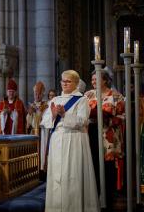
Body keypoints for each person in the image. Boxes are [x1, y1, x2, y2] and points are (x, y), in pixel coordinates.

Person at [42, 70, 99, 211]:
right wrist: (54, 115)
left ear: (76, 83)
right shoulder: (55, 100)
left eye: (68, 81)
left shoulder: (81, 100)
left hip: (74, 140)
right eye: (63, 81)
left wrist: (64, 114)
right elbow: (45, 122)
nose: (64, 83)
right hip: (57, 141)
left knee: (72, 176)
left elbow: (82, 121)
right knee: (57, 176)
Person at [84, 69, 125, 209]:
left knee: (108, 168)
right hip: (92, 133)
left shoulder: (116, 95)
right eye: (92, 79)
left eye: (96, 79)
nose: (93, 82)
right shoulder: (88, 95)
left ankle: (108, 200)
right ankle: (95, 201)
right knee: (94, 165)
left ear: (105, 80)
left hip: (109, 135)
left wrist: (109, 117)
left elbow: (122, 116)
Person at [26, 81, 48, 177]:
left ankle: (42, 171)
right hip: (33, 133)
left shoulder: (46, 105)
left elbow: (47, 119)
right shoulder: (31, 106)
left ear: (43, 94)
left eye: (39, 93)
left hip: (42, 133)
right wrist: (30, 114)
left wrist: (39, 112)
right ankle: (33, 172)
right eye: (35, 93)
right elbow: (28, 123)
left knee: (42, 152)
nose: (37, 95)